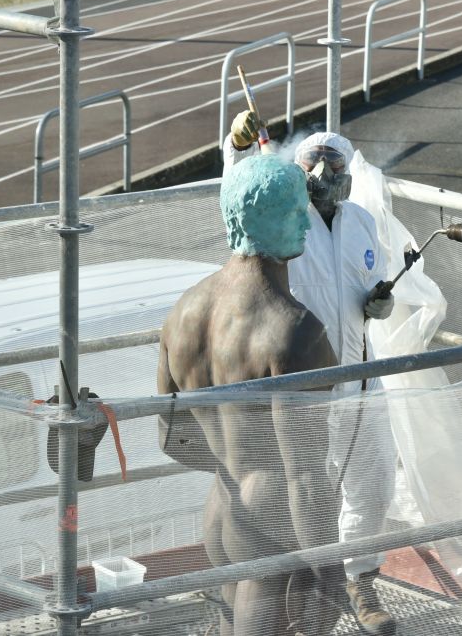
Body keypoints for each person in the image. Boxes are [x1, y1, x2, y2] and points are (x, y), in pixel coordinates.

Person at [223, 111, 398, 636]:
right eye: (313, 165)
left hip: (363, 378)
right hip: (307, 386)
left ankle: (359, 581)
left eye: (333, 166)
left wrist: (378, 302)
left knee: (373, 483)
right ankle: (307, 591)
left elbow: (369, 284)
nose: (323, 176)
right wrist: (236, 150)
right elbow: (243, 198)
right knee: (308, 493)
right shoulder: (285, 221)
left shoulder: (362, 222)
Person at [157, 154, 346, 636]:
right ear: (259, 220)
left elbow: (172, 440)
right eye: (293, 211)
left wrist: (235, 455)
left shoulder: (183, 312)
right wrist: (331, 575)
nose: (306, 220)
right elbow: (304, 478)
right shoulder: (295, 331)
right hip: (274, 528)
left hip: (222, 511)